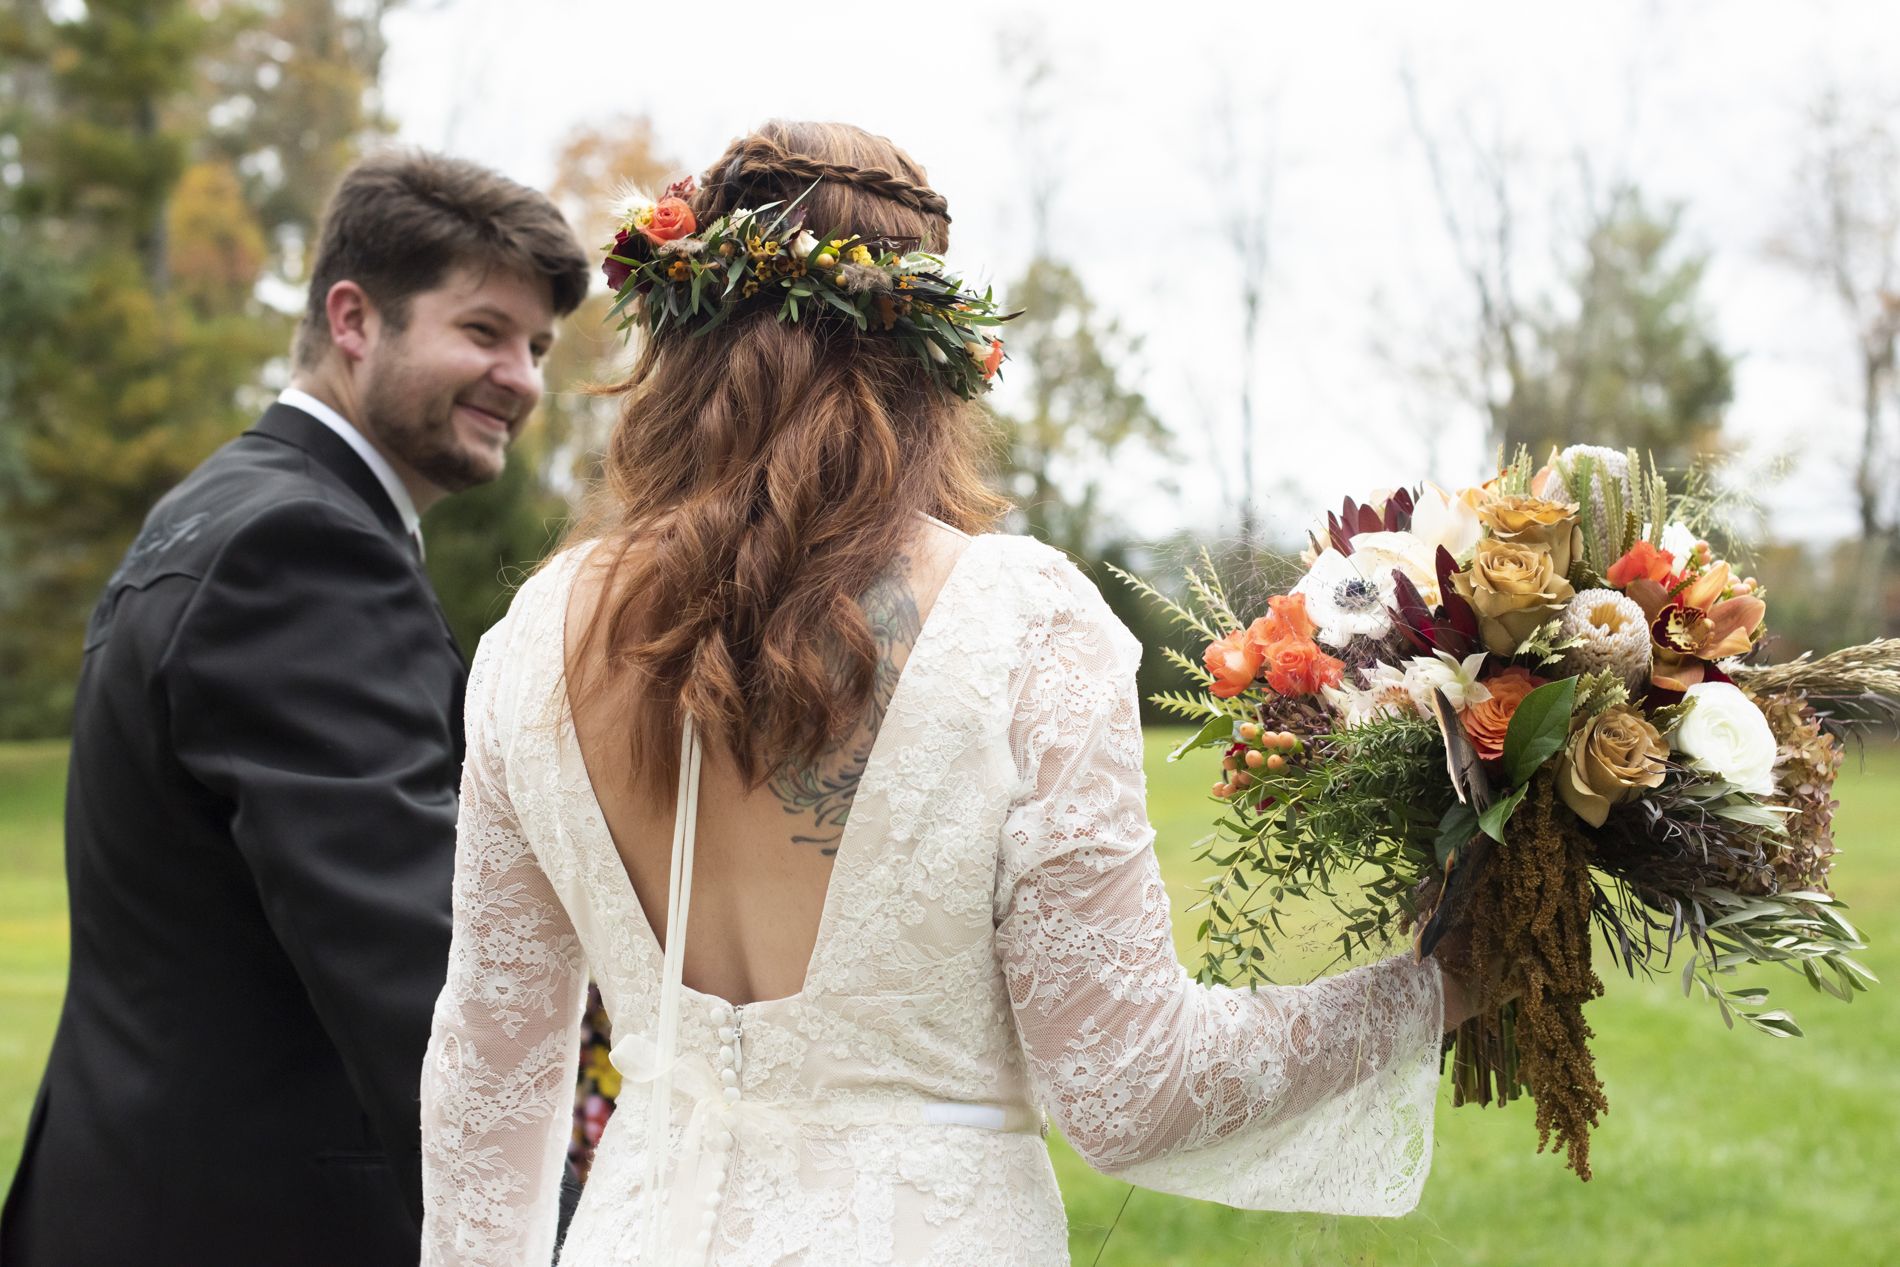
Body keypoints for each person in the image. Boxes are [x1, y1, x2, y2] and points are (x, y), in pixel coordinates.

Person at [420, 120, 1486, 1266]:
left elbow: (488, 1083)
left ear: (681, 345)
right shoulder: (1020, 622)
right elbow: (1131, 1085)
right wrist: (1431, 989)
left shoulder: (538, 636)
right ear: (929, 357)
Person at [1, 151, 590, 1265]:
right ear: (355, 318)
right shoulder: (304, 552)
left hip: (141, 1190)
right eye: (483, 331)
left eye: (538, 347)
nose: (520, 377)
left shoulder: (222, 508)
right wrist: (563, 1238)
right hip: (248, 1219)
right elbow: (415, 973)